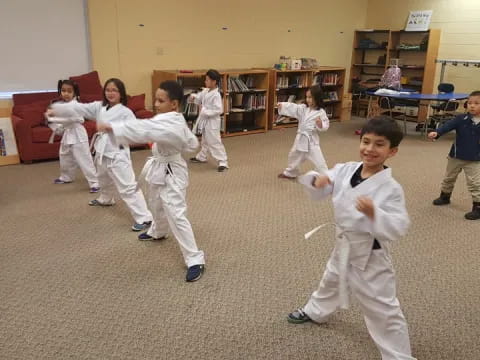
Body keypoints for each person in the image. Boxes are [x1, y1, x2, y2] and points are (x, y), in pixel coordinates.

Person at [288, 116, 415, 360]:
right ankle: (316, 311)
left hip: (370, 254)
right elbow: (324, 183)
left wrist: (374, 213)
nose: (370, 149)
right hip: (343, 242)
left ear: (393, 151)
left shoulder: (391, 188)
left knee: (382, 307)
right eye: (366, 141)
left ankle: (399, 356)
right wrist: (318, 180)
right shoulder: (346, 169)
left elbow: (399, 226)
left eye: (379, 144)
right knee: (332, 279)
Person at [97, 80, 205, 282]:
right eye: (155, 99)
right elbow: (182, 140)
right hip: (158, 167)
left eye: (160, 100)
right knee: (155, 204)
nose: (155, 104)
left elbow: (144, 129)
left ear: (174, 104)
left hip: (173, 172)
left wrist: (115, 127)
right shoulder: (167, 118)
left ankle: (195, 259)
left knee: (176, 212)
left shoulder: (172, 121)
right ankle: (158, 230)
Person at [49, 78, 152, 231]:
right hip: (102, 150)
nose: (110, 93)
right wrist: (58, 110)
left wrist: (111, 127)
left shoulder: (126, 112)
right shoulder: (99, 107)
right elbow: (80, 108)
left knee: (127, 186)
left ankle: (144, 218)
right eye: (108, 90)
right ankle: (106, 199)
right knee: (103, 178)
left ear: (121, 93)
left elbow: (134, 132)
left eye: (114, 90)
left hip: (118, 153)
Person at [428, 90, 480, 220]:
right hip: (456, 156)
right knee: (449, 177)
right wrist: (437, 133)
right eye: (470, 103)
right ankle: (445, 196)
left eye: (477, 103)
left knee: (475, 183)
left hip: (475, 159)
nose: (472, 106)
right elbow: (447, 126)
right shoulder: (461, 119)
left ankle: (478, 207)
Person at [46, 80, 99, 192]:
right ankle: (67, 176)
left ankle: (95, 182)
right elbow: (61, 123)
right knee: (65, 156)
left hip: (78, 134)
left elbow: (78, 119)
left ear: (75, 93)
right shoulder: (62, 106)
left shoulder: (76, 105)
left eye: (69, 91)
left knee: (84, 158)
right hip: (67, 133)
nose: (66, 93)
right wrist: (52, 123)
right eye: (63, 90)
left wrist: (54, 119)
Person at [277, 85, 329, 179]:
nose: (308, 100)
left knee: (319, 161)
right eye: (307, 97)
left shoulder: (321, 112)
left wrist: (320, 124)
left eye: (310, 97)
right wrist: (283, 105)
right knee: (293, 155)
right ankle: (291, 172)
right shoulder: (303, 108)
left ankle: (326, 176)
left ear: (317, 98)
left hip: (311, 142)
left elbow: (326, 125)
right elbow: (294, 108)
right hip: (300, 139)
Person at [189, 69, 229, 172]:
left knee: (214, 141)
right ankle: (202, 156)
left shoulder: (216, 95)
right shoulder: (206, 91)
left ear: (214, 81)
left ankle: (223, 161)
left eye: (207, 80)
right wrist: (194, 97)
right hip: (205, 120)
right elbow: (199, 98)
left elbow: (219, 110)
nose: (205, 82)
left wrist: (205, 111)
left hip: (212, 122)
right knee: (205, 140)